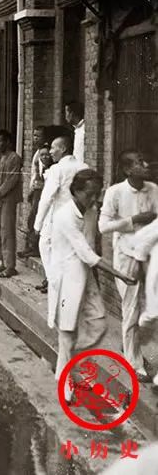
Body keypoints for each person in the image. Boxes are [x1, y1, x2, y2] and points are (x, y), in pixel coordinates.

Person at [99, 150, 158, 380]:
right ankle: (134, 363)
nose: (146, 164)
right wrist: (133, 221)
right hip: (126, 256)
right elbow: (103, 226)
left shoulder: (154, 190)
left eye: (144, 160)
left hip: (151, 255)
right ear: (127, 170)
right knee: (131, 308)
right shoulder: (116, 192)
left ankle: (131, 346)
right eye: (139, 162)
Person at [50, 169, 107, 402]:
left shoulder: (92, 212)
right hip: (65, 278)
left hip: (86, 274)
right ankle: (65, 382)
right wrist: (119, 274)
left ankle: (69, 363)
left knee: (100, 322)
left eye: (97, 194)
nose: (94, 199)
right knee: (67, 331)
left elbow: (93, 244)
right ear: (76, 191)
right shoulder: (64, 215)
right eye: (90, 194)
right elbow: (85, 252)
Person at [34, 134, 88, 304]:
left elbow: (47, 198)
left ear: (63, 148)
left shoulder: (58, 169)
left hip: (58, 219)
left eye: (53, 148)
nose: (50, 152)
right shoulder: (84, 166)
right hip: (80, 218)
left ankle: (56, 284)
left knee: (45, 245)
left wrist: (38, 223)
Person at [0, 130, 23, 278]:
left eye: (0, 141)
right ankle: (2, 261)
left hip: (6, 199)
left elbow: (11, 181)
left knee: (7, 232)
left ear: (8, 142)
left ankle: (10, 266)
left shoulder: (14, 158)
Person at [19, 125, 51, 262]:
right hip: (35, 189)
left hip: (40, 190)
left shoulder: (45, 152)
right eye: (34, 135)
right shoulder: (37, 152)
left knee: (35, 218)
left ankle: (34, 248)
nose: (35, 138)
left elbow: (42, 175)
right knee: (32, 218)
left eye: (38, 136)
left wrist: (36, 189)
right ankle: (31, 246)